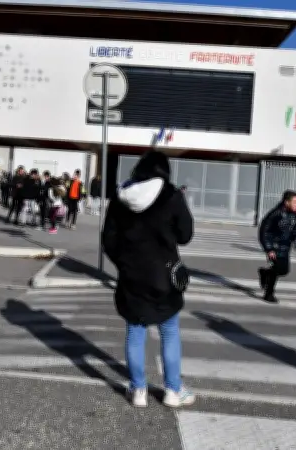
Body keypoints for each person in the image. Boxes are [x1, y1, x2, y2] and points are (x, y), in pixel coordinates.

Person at [102, 150, 195, 408]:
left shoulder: (121, 196)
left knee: (135, 331)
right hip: (164, 275)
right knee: (169, 331)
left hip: (132, 276)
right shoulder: (171, 195)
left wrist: (124, 264)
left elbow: (108, 239)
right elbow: (185, 235)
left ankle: (138, 389)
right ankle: (173, 390)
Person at [257, 190, 296, 304]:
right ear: (286, 202)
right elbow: (264, 231)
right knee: (276, 269)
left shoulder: (293, 214)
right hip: (274, 246)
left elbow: (293, 230)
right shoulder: (276, 213)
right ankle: (269, 294)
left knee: (284, 270)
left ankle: (265, 273)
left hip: (285, 246)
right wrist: (269, 249)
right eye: (295, 202)